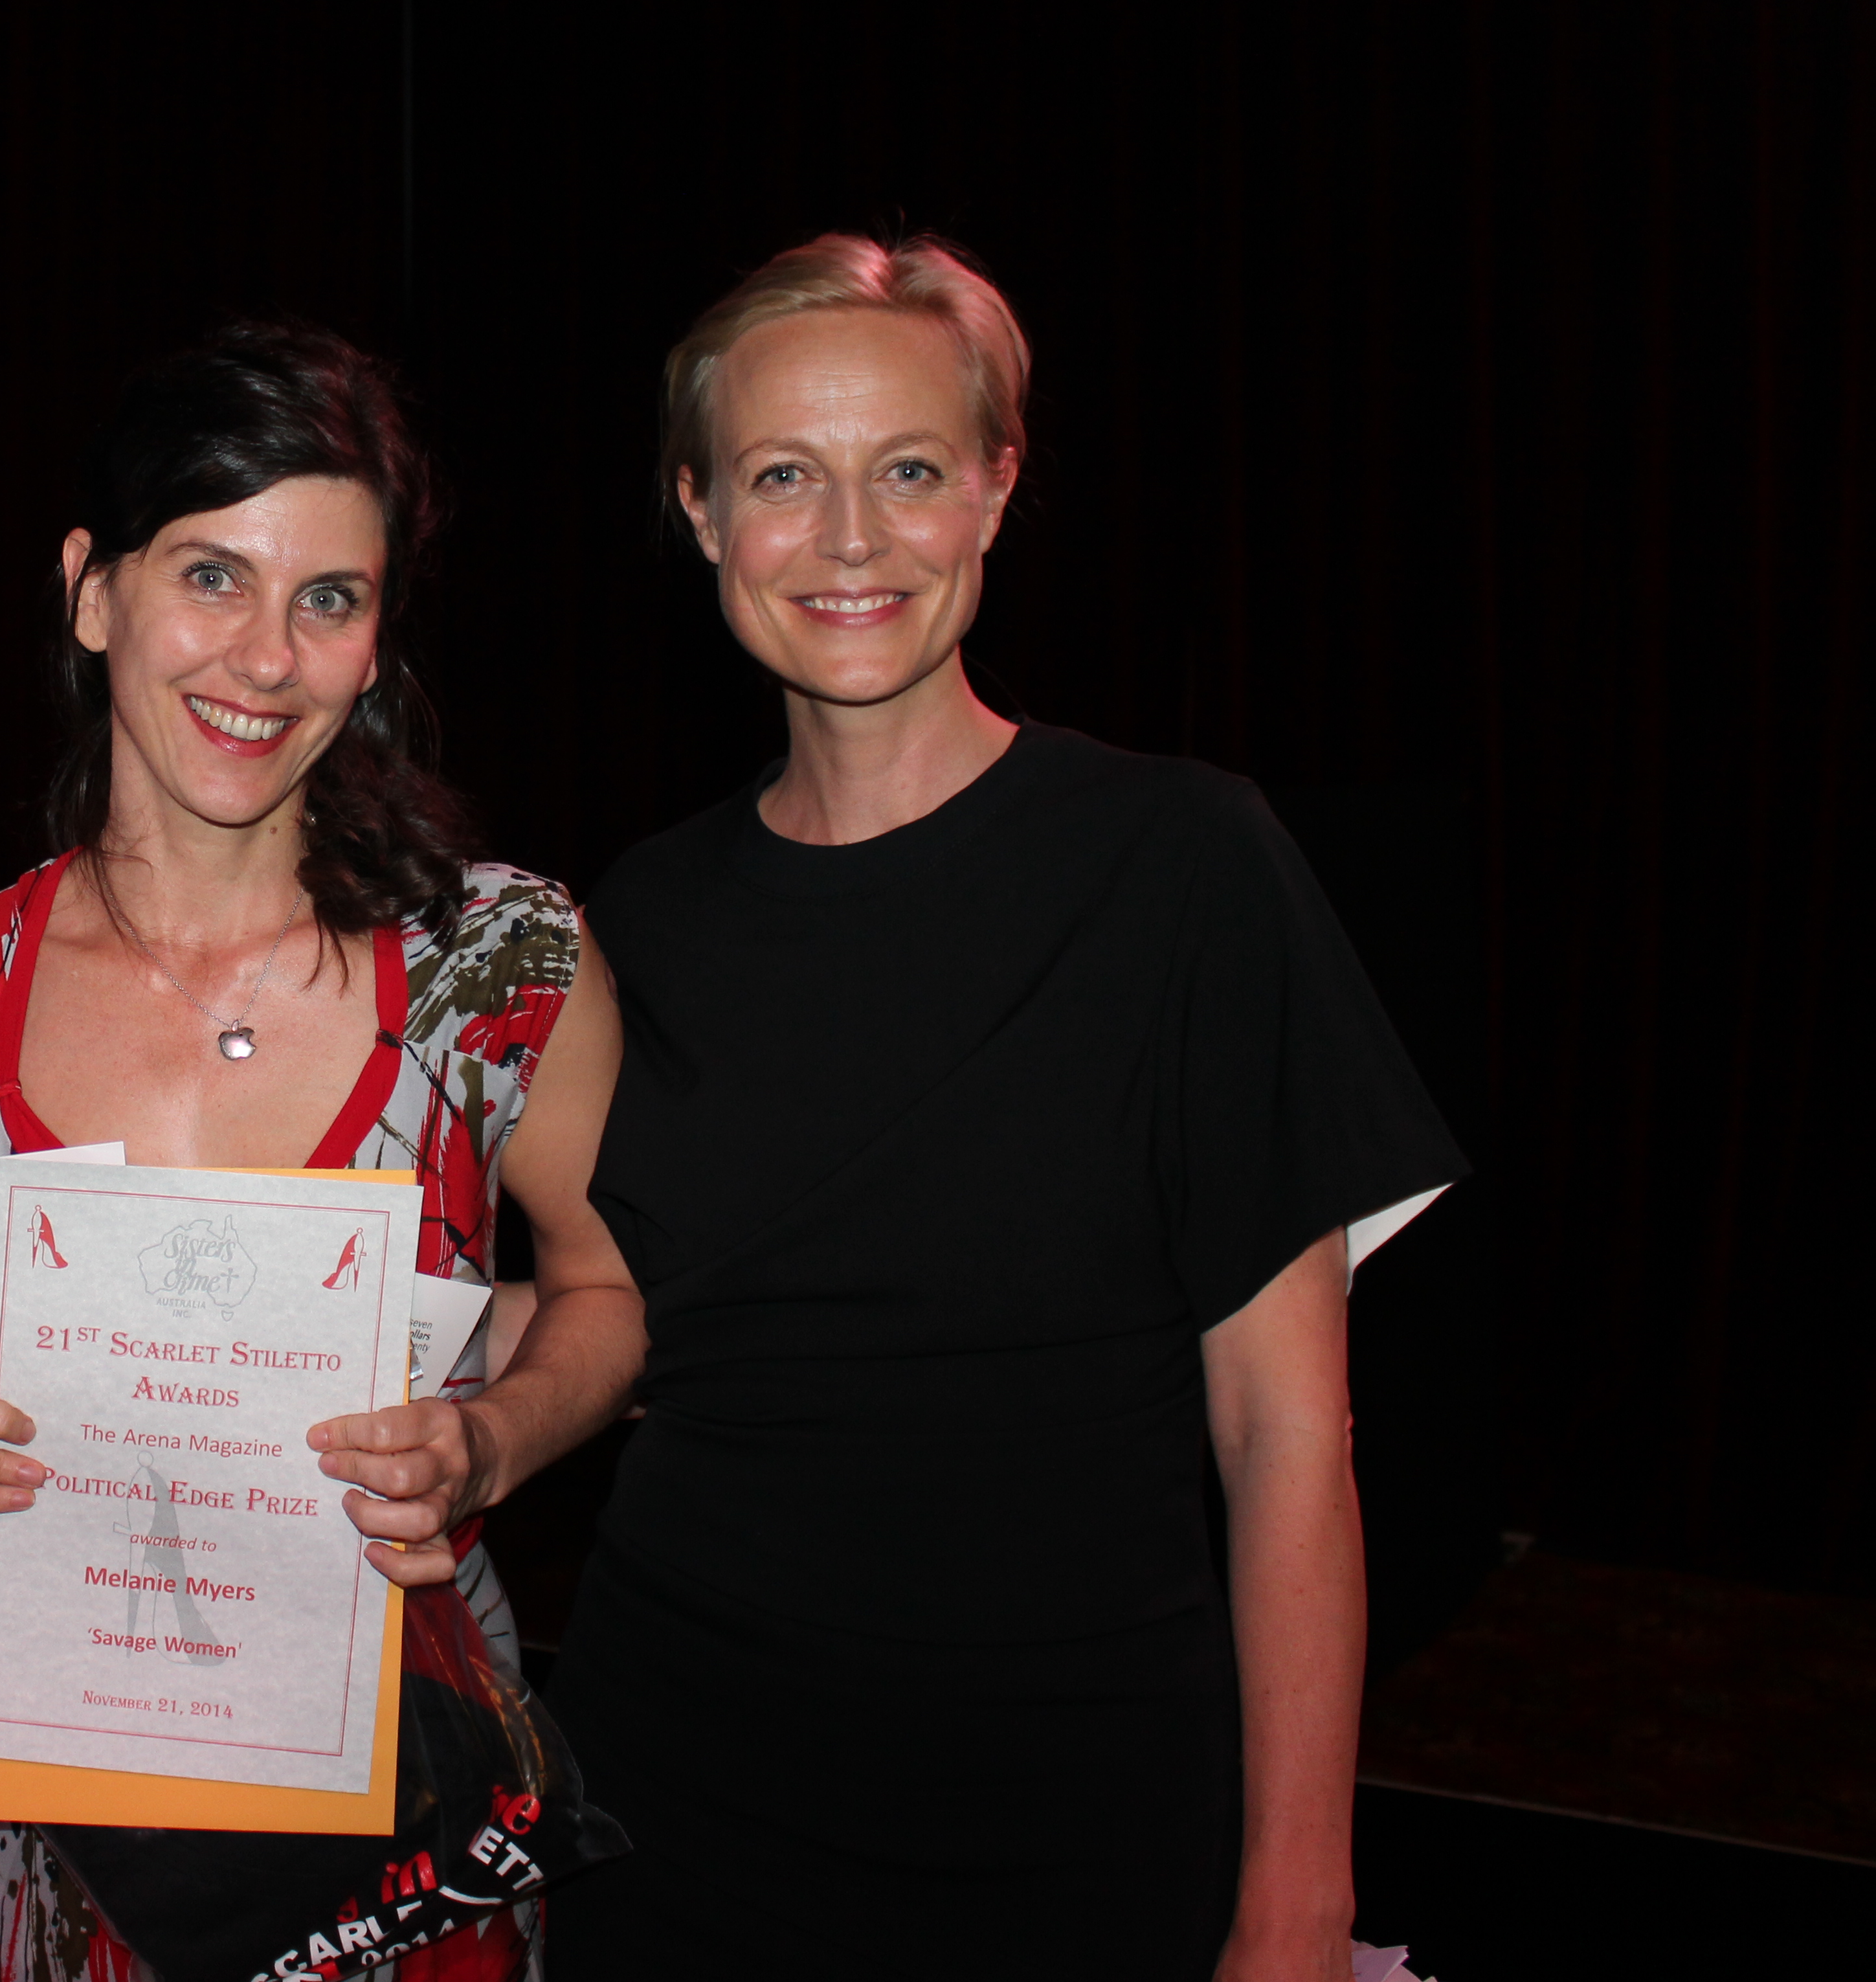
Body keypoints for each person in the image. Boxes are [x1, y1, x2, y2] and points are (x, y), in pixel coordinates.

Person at [537, 236, 1468, 1981]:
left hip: (1077, 1821)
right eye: (783, 479)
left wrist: (1297, 1904)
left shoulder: (1185, 867)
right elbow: (626, 1324)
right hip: (678, 1810)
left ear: (995, 491)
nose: (852, 538)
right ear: (699, 515)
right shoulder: (637, 917)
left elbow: (1287, 1439)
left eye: (907, 472)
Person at [0, 322, 643, 1979]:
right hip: (56, 1799)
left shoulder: (499, 971)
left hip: (394, 1811)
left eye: (329, 600)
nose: (268, 658)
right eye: (211, 576)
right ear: (93, 592)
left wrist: (489, 1448)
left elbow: (607, 1287)